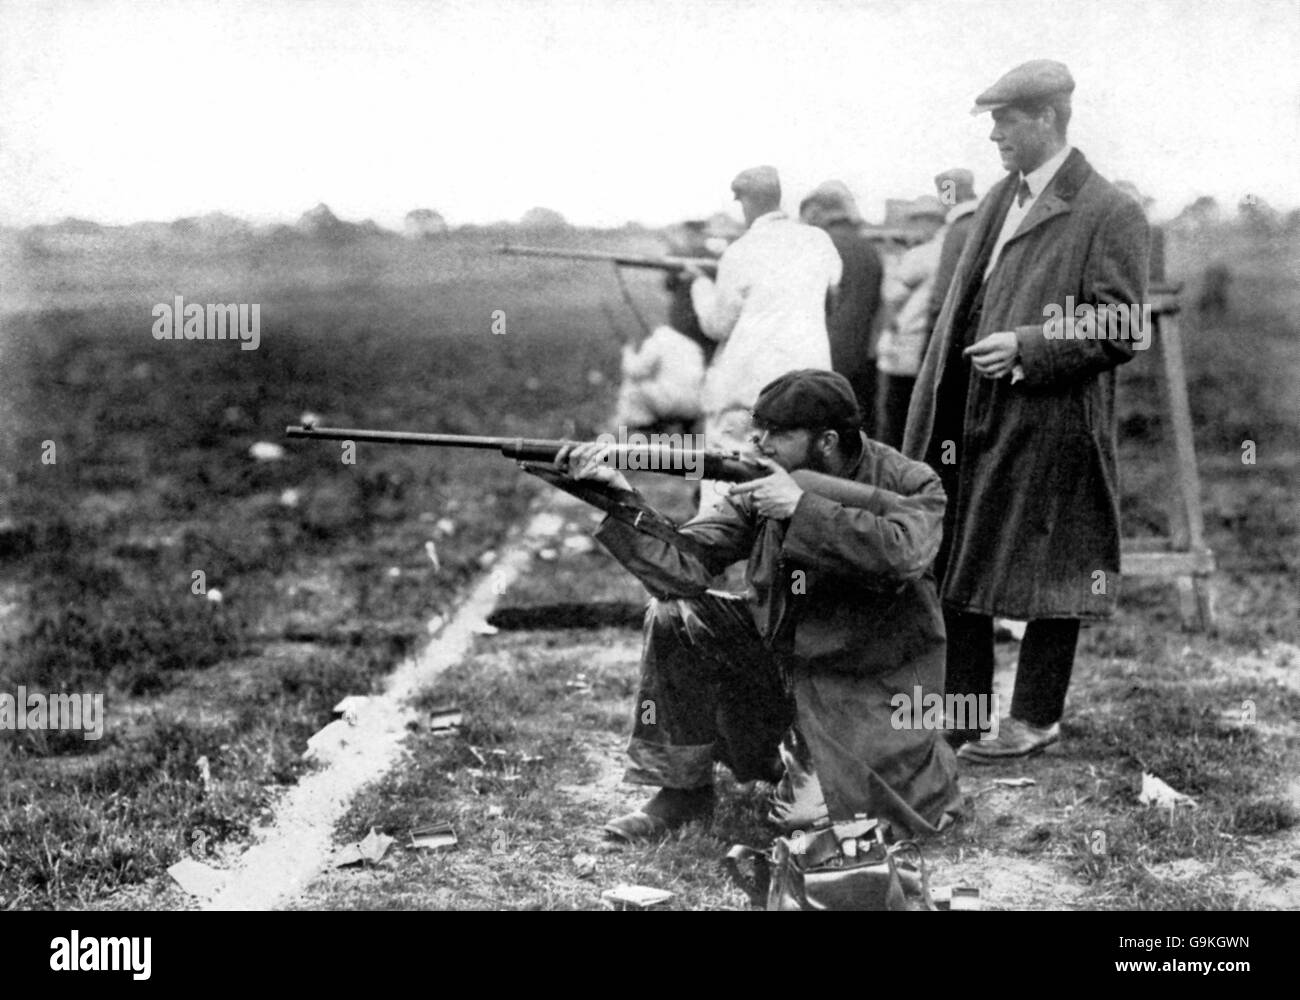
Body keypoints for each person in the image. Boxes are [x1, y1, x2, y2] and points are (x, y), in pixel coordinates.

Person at [557, 369, 963, 841]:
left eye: (778, 433)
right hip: (787, 670)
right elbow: (684, 566)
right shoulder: (766, 483)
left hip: (869, 691)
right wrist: (618, 494)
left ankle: (806, 762)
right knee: (677, 613)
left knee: (803, 822)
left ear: (827, 440)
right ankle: (682, 791)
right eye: (759, 427)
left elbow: (904, 554)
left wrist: (802, 508)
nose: (759, 442)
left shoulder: (912, 483)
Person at [904, 59, 1150, 760]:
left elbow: (1120, 322)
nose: (993, 136)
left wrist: (1030, 344)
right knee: (959, 559)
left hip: (1050, 421)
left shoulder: (1110, 210)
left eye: (1005, 120)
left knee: (1056, 568)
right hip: (974, 415)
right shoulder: (997, 201)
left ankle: (1036, 717)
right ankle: (962, 717)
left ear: (1047, 118)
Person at [684, 166, 842, 513]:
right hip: (811, 382)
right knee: (798, 478)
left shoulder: (741, 250)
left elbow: (716, 325)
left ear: (745, 202)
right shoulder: (819, 241)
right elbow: (830, 298)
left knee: (723, 469)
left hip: (751, 384)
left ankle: (714, 543)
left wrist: (699, 285)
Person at [799, 181, 884, 419]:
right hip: (864, 357)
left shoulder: (820, 245)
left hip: (826, 358)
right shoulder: (867, 247)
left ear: (815, 212)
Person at [875, 196, 947, 447]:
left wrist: (894, 258)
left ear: (928, 221)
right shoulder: (951, 248)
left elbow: (891, 295)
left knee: (895, 423)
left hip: (905, 350)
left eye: (915, 220)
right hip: (930, 349)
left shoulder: (921, 255)